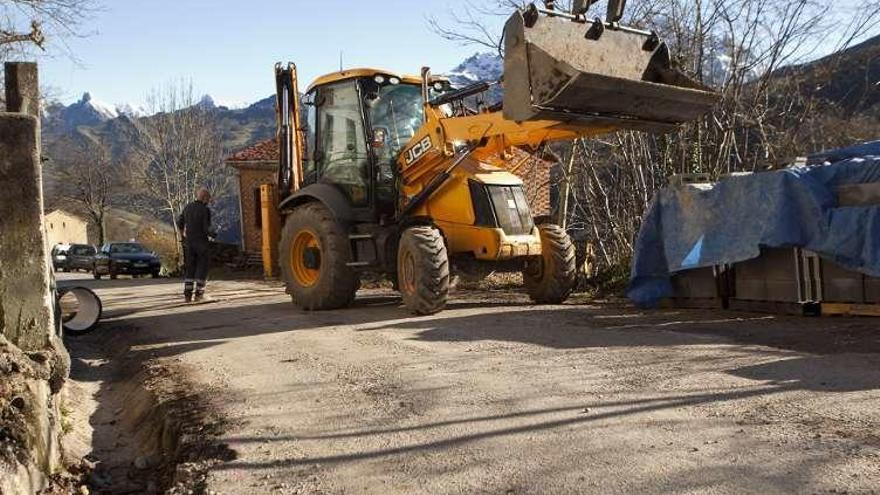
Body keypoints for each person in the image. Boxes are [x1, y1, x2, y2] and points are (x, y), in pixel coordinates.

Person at [177, 188, 214, 302]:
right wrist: (213, 234)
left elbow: (179, 222)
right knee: (202, 268)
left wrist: (183, 235)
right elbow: (206, 228)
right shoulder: (205, 210)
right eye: (208, 198)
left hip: (189, 243)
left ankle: (187, 295)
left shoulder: (188, 207)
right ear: (204, 198)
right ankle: (199, 294)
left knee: (190, 268)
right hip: (201, 243)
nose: (209, 200)